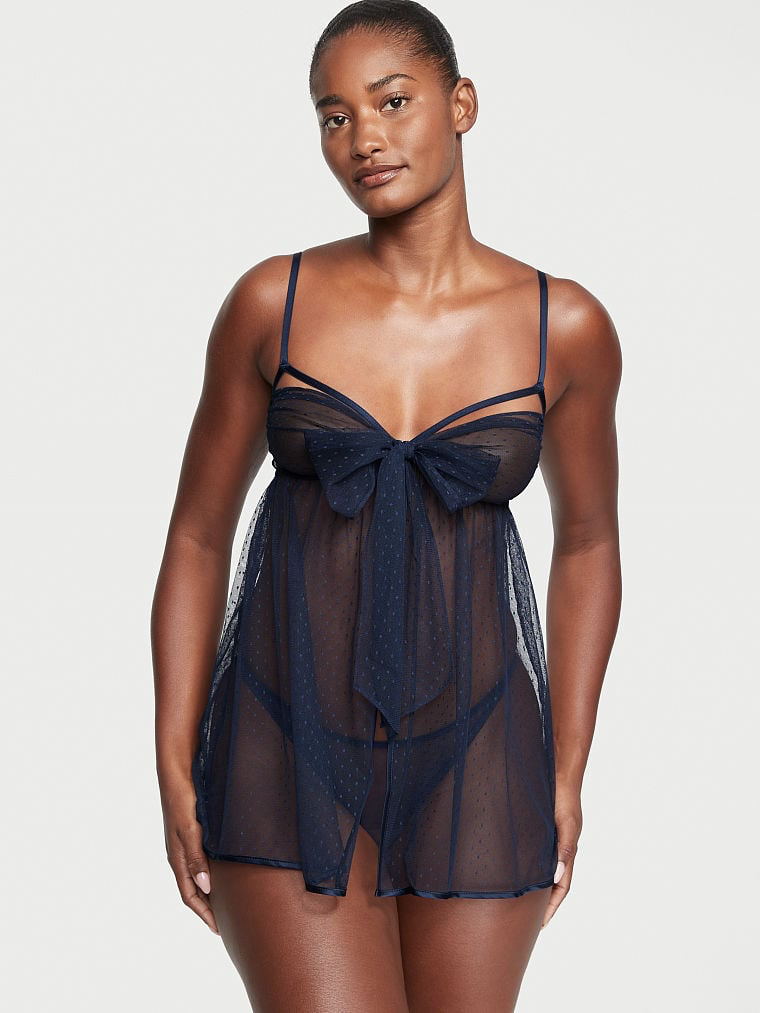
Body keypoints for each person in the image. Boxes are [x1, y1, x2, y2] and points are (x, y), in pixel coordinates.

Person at [151, 1, 622, 1009]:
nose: (362, 137)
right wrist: (172, 756)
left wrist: (566, 767)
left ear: (462, 104)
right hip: (284, 743)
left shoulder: (565, 325)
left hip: (481, 750)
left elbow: (588, 542)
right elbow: (195, 534)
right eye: (334, 116)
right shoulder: (271, 303)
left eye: (392, 101)